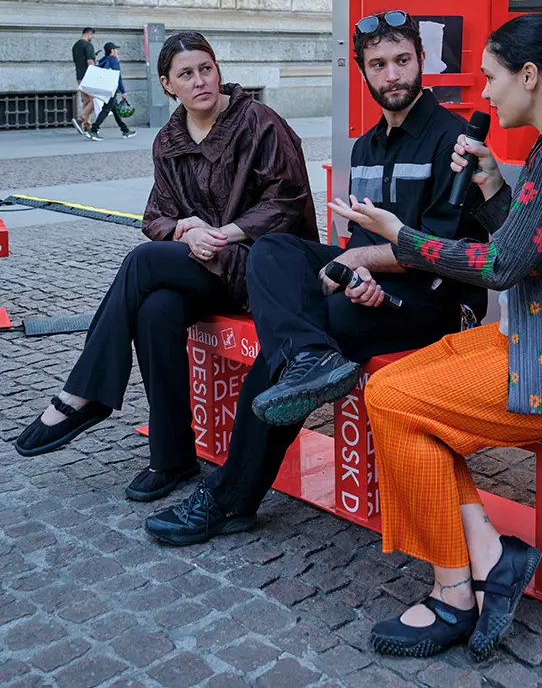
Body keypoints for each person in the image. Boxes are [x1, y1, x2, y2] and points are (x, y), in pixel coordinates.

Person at [329, 13, 542, 662]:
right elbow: (527, 243)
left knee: (395, 403)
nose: (483, 93)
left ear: (529, 77)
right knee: (390, 385)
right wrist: (488, 184)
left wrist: (399, 237)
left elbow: (503, 265)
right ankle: (487, 554)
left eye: (490, 77)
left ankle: (455, 588)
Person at [145, 10, 490, 545]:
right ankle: (310, 357)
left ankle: (230, 497)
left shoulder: (454, 140)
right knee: (273, 251)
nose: (392, 75)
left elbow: (438, 252)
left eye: (402, 60)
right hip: (377, 287)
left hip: (436, 302)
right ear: (363, 71)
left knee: (288, 346)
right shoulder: (367, 146)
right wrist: (346, 271)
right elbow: (360, 242)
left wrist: (354, 265)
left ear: (423, 61)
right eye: (379, 65)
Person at [15, 31, 319, 503]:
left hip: (263, 269)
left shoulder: (258, 123)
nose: (200, 81)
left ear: (218, 70)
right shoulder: (169, 140)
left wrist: (223, 233)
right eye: (186, 74)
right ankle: (172, 457)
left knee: (143, 263)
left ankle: (84, 393)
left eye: (206, 68)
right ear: (166, 84)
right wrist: (186, 231)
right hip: (206, 266)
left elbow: (289, 197)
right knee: (157, 309)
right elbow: (154, 216)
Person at [84, 42, 136, 141]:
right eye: (115, 50)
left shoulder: (104, 60)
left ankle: (125, 130)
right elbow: (118, 77)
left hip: (106, 88)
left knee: (114, 109)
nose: (116, 51)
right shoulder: (113, 60)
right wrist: (123, 92)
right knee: (106, 109)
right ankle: (94, 130)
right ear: (112, 51)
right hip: (112, 89)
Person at [71, 26, 96, 135]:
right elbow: (90, 62)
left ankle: (87, 126)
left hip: (79, 76)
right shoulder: (88, 45)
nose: (92, 38)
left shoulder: (75, 46)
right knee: (95, 100)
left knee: (86, 100)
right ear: (89, 34)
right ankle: (81, 119)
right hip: (88, 76)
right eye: (92, 36)